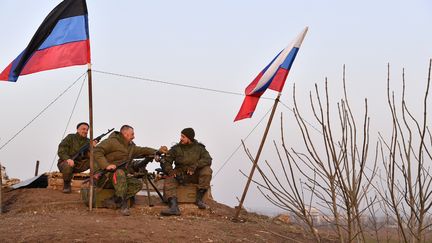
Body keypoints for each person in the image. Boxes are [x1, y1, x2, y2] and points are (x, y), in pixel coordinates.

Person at [93, 125, 168, 216]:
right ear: (125, 134)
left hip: (120, 178)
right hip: (105, 176)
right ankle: (123, 205)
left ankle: (115, 199)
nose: (134, 136)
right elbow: (96, 151)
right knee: (120, 172)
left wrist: (158, 151)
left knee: (137, 184)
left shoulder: (131, 146)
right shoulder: (111, 142)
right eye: (132, 134)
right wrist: (106, 165)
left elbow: (142, 150)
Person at [160, 127, 213, 216]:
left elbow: (208, 159)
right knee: (169, 179)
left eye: (183, 136)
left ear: (189, 138)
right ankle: (173, 207)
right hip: (180, 174)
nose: (181, 138)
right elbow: (167, 160)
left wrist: (195, 166)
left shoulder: (199, 148)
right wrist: (170, 171)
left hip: (194, 174)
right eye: (181, 136)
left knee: (207, 171)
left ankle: (199, 200)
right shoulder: (176, 148)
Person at [57, 122, 96, 193]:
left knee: (95, 160)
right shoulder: (70, 137)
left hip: (80, 165)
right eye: (83, 129)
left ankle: (94, 181)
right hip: (65, 163)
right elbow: (61, 150)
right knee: (67, 165)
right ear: (77, 129)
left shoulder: (88, 141)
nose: (85, 131)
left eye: (87, 130)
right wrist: (67, 159)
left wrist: (93, 148)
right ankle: (66, 185)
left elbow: (89, 156)